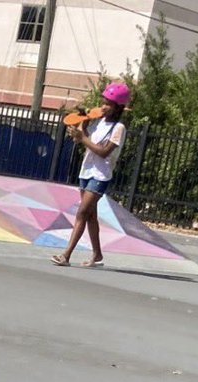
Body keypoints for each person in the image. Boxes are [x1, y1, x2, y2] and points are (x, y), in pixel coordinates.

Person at [51, 80, 130, 269]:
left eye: (108, 104)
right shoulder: (99, 121)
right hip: (86, 171)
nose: (104, 106)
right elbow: (86, 139)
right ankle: (97, 255)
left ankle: (66, 255)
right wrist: (82, 124)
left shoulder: (118, 128)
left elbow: (103, 152)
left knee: (82, 212)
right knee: (91, 216)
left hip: (100, 175)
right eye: (104, 102)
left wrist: (83, 138)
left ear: (118, 107)